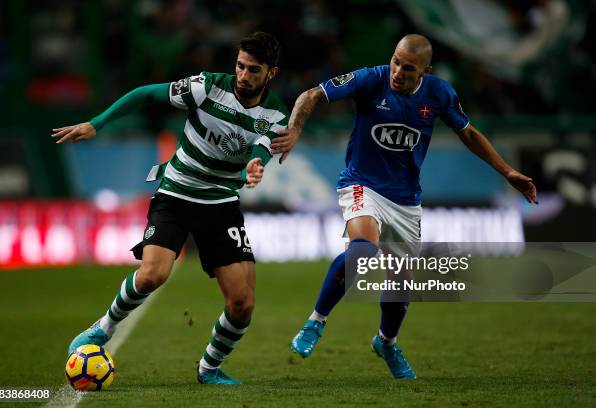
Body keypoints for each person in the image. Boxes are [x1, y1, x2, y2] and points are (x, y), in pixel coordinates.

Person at [271, 34, 538, 379]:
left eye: (408, 68)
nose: (398, 71)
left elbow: (468, 133)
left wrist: (508, 171)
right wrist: (295, 129)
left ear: (425, 70)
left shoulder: (440, 94)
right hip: (361, 184)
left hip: (406, 199)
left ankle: (386, 342)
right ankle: (315, 323)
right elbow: (312, 95)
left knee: (400, 281)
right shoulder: (372, 78)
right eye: (396, 61)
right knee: (361, 251)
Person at [52, 32, 289, 385]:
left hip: (221, 203)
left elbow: (262, 149)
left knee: (243, 304)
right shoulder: (207, 87)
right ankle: (103, 329)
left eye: (253, 70)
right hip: (176, 193)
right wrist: (96, 123)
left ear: (271, 74)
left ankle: (209, 368)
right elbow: (145, 93)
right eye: (240, 66)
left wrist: (255, 165)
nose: (243, 75)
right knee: (153, 275)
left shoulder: (276, 113)